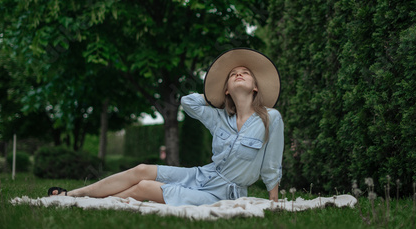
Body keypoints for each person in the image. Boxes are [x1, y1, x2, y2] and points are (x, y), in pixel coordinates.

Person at [48, 48, 284, 206]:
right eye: (233, 74)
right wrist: (215, 98)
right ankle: (72, 195)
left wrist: (274, 202)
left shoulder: (270, 118)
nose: (239, 74)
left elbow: (271, 164)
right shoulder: (219, 117)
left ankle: (82, 203)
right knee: (141, 170)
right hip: (204, 174)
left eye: (245, 73)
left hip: (222, 193)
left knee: (144, 187)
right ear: (226, 90)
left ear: (255, 87)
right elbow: (188, 102)